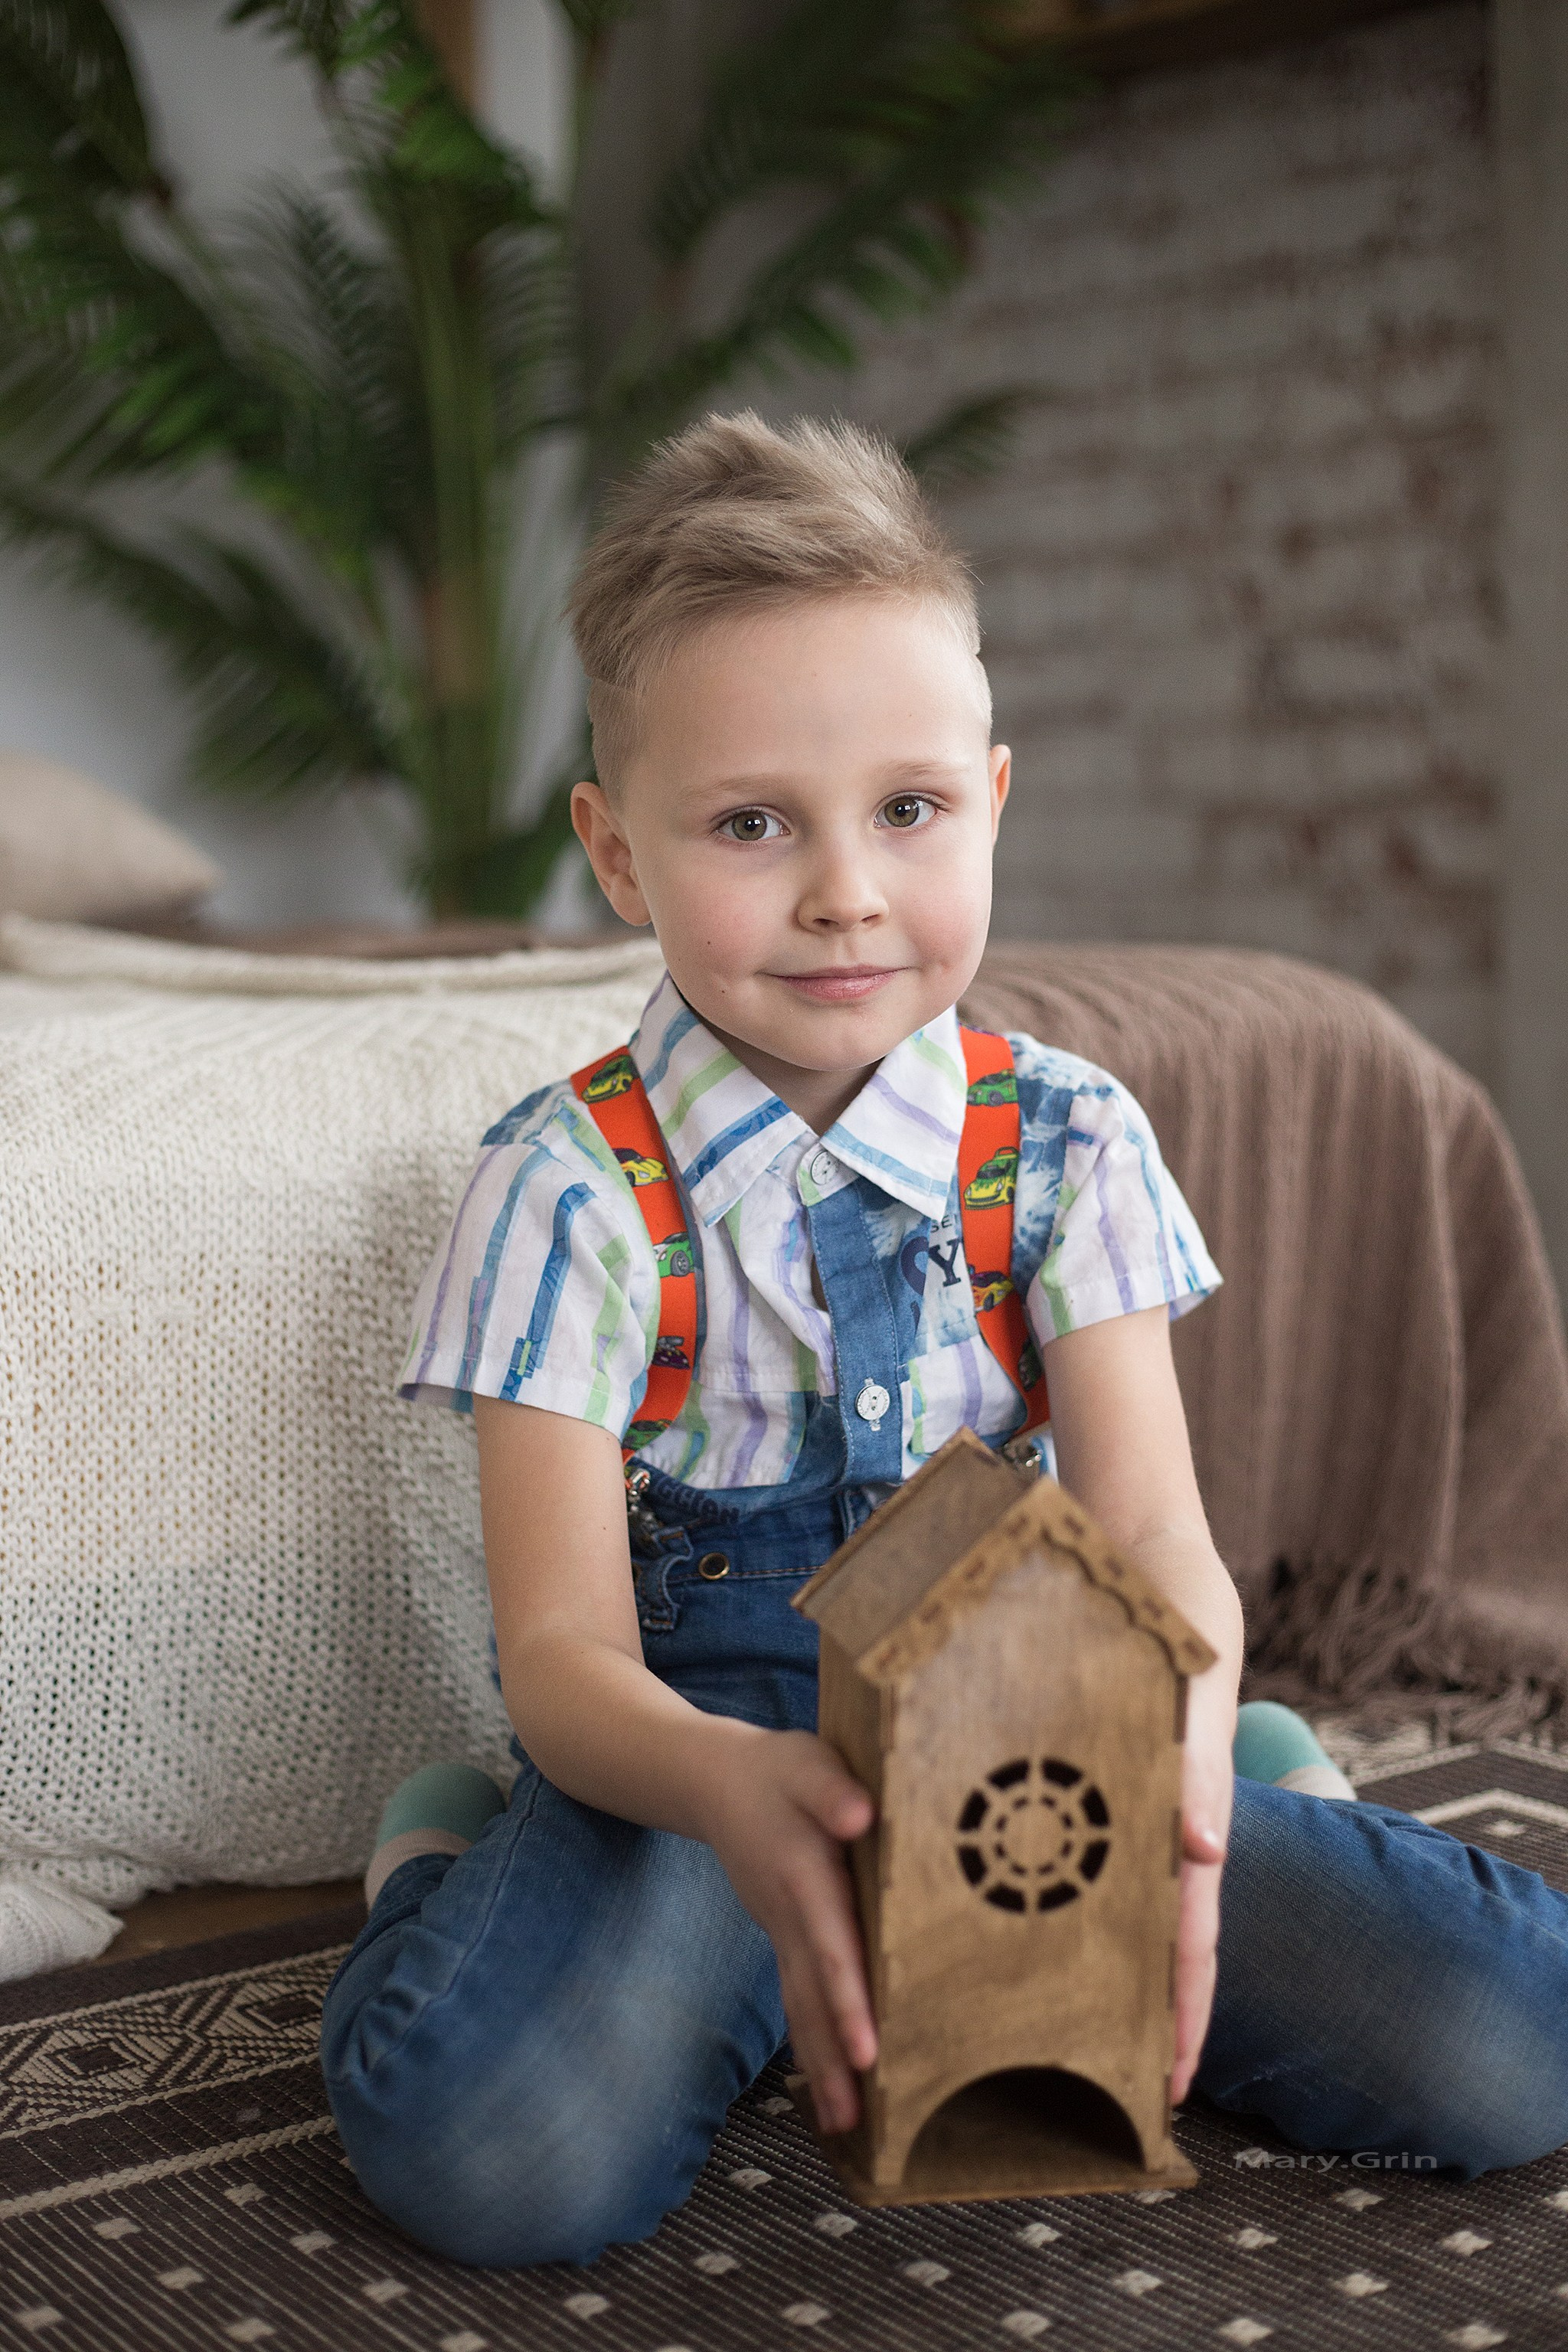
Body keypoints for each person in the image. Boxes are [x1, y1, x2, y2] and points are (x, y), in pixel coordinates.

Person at [320, 413, 1568, 2267]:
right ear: (618, 854)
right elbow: (566, 1650)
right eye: (752, 823)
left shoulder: (1067, 1138)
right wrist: (733, 1797)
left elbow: (1157, 1545)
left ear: (990, 798)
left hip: (1046, 1737)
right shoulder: (567, 1191)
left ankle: (1274, 1779)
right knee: (498, 2158)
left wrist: (1193, 1757)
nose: (844, 891)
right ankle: (447, 1867)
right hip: (702, 1775)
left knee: (1514, 2047)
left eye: (906, 811)